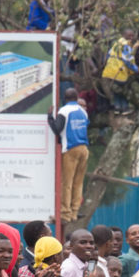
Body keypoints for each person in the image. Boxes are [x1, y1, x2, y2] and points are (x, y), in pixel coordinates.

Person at [47, 88, 90, 222]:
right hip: (84, 149)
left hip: (71, 148)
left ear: (65, 98)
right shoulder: (83, 112)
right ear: (77, 98)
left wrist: (49, 117)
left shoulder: (64, 111)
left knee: (67, 182)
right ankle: (74, 212)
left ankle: (65, 213)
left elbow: (56, 129)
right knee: (78, 182)